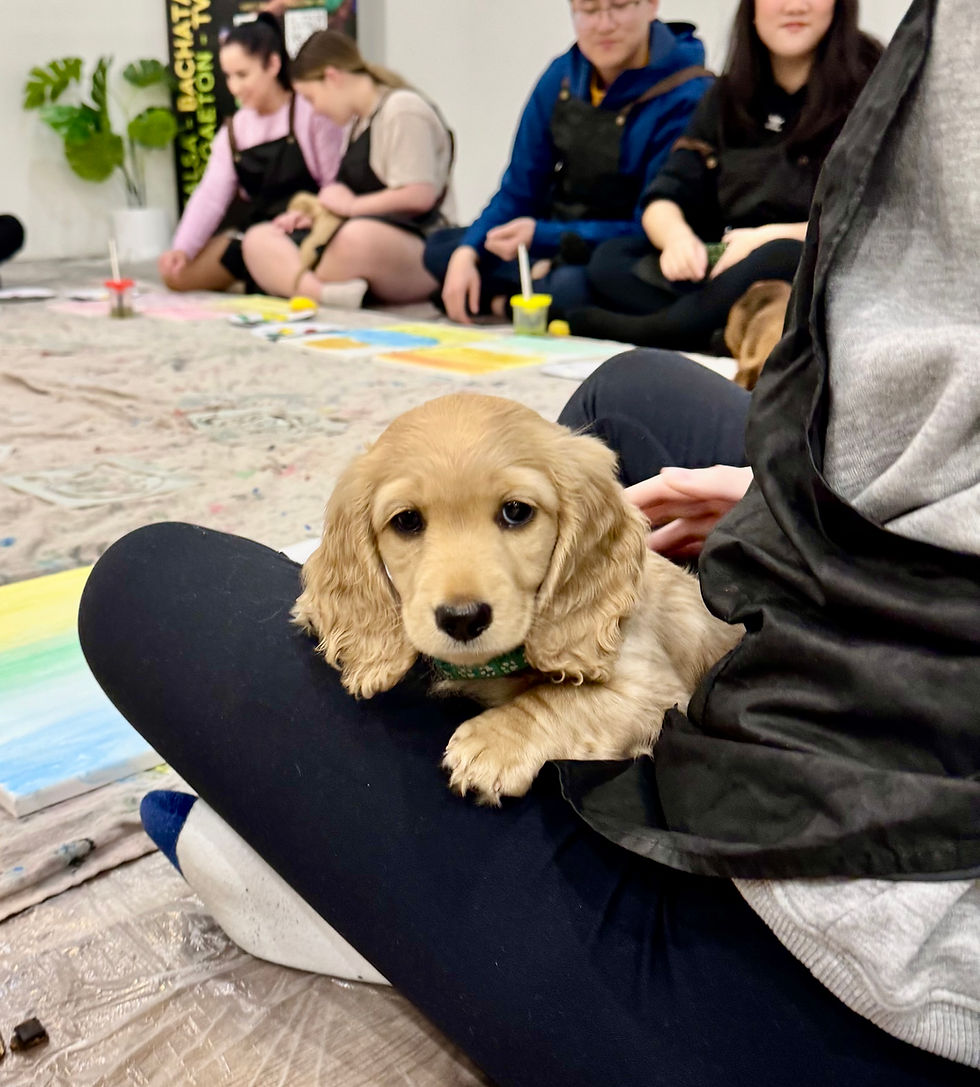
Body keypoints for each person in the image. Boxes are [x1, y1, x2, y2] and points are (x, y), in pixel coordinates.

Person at [78, 0, 979, 1082]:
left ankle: (370, 875)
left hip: (877, 922)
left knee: (139, 583)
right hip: (896, 573)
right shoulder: (599, 88)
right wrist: (780, 494)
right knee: (618, 395)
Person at [567, 0, 881, 349]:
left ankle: (672, 330)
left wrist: (763, 238)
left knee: (781, 255)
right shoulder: (728, 94)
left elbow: (878, 219)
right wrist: (677, 240)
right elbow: (665, 194)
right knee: (611, 259)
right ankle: (726, 330)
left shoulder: (872, 85)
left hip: (815, 263)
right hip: (730, 262)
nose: (795, 6)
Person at [422, 0, 712, 323]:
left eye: (619, 6)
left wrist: (543, 236)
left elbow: (650, 221)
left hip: (627, 247)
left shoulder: (688, 91)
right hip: (555, 233)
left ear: (651, 6)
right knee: (442, 249)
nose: (604, 24)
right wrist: (469, 251)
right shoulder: (561, 77)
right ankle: (530, 289)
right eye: (588, 11)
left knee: (575, 285)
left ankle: (506, 302)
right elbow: (519, 190)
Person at [240, 31, 455, 308]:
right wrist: (314, 217)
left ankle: (298, 281)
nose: (315, 111)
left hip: (422, 246)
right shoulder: (355, 125)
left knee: (354, 238)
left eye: (312, 98)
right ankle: (326, 294)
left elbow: (419, 196)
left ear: (332, 77)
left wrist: (352, 206)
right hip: (356, 234)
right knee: (257, 239)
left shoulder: (402, 110)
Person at [157, 14, 344, 293]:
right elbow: (210, 196)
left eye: (243, 75)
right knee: (177, 277)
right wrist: (182, 248)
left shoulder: (311, 112)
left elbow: (336, 183)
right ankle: (267, 276)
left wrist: (313, 214)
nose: (234, 87)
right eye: (228, 76)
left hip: (311, 228)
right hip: (258, 233)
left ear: (272, 64)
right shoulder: (234, 131)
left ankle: (291, 280)